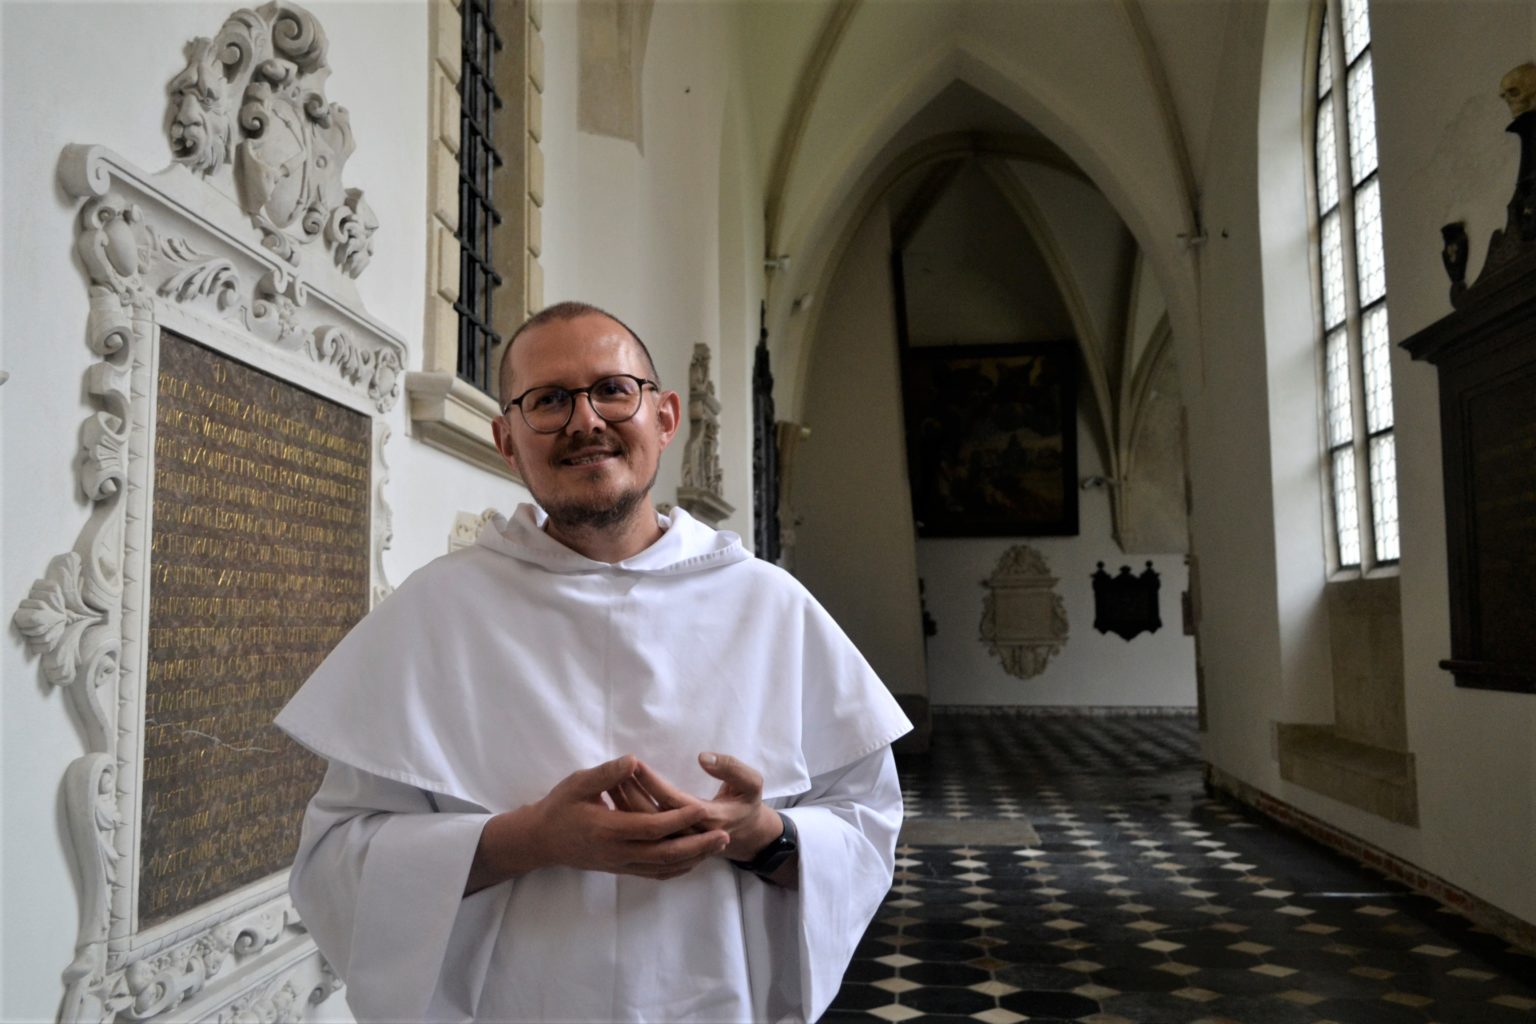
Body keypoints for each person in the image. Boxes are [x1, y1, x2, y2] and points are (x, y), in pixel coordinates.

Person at [276, 301, 911, 1022]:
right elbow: (335, 862)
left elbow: (866, 829)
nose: (585, 421)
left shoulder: (772, 607)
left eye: (613, 389)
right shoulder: (435, 613)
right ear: (506, 442)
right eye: (548, 400)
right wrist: (530, 839)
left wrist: (761, 834)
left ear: (666, 418)